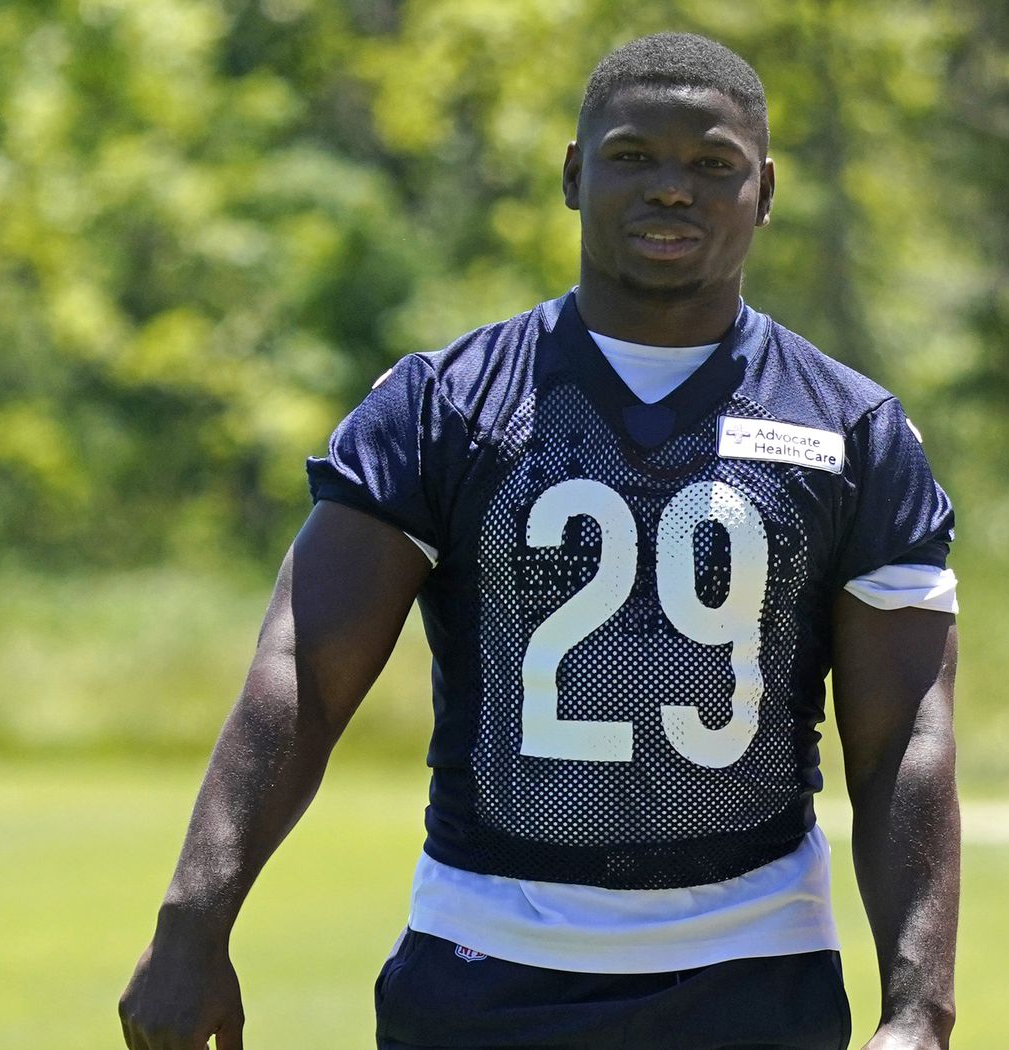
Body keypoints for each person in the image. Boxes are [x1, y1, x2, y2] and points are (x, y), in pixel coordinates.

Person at [119, 31, 960, 1050]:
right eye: (631, 156)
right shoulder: (445, 407)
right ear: (572, 172)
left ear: (764, 191)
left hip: (751, 971)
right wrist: (192, 919)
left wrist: (918, 1005)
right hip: (484, 967)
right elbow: (301, 672)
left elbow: (903, 737)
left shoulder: (849, 430)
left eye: (711, 166)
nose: (671, 190)